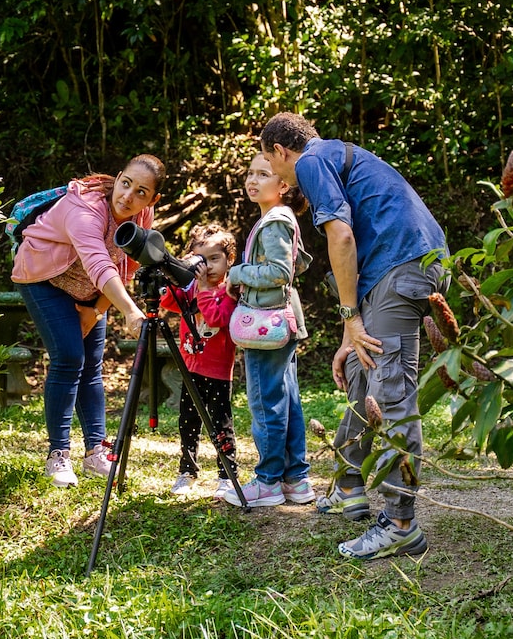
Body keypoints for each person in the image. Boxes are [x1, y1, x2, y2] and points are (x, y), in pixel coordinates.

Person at [259, 112, 449, 560]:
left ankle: (400, 522)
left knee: (391, 392)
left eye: (272, 167)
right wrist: (352, 330)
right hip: (405, 265)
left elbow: (341, 239)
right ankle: (349, 485)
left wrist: (348, 313)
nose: (281, 181)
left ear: (281, 152)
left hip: (402, 266)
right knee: (365, 376)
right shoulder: (339, 154)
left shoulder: (311, 161)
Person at [12, 155, 165, 487]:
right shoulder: (85, 208)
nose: (128, 197)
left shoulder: (143, 217)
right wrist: (129, 310)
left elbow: (126, 266)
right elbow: (99, 262)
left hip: (92, 287)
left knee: (92, 364)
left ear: (153, 199)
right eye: (125, 184)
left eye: (141, 192)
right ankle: (58, 454)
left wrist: (96, 310)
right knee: (69, 357)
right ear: (118, 176)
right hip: (43, 277)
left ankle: (96, 452)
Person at [221, 153, 314, 508]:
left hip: (266, 323)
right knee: (286, 398)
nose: (253, 180)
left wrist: (237, 273)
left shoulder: (275, 221)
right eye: (250, 173)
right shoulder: (280, 219)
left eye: (264, 174)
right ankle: (297, 479)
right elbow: (297, 263)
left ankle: (268, 482)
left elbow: (279, 271)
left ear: (283, 185)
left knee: (265, 401)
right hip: (281, 318)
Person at [159, 223, 239, 498]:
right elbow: (169, 302)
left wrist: (203, 287)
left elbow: (217, 318)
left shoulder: (230, 290)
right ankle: (188, 471)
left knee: (220, 424)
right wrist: (176, 275)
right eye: (201, 260)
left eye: (215, 258)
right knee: (188, 422)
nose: (208, 266)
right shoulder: (192, 287)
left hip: (218, 371)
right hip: (190, 367)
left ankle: (227, 474)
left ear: (230, 260)